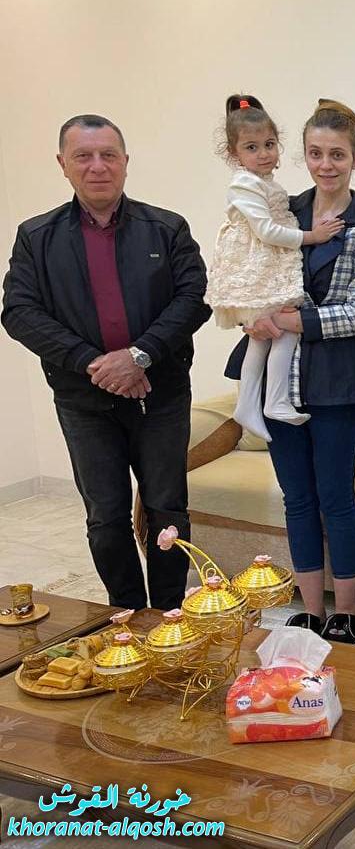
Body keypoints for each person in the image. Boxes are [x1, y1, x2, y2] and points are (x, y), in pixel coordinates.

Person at [2, 114, 210, 609]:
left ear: (125, 162)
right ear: (63, 164)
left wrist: (139, 356)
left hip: (160, 396)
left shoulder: (167, 228)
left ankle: (169, 614)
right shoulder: (36, 236)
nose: (98, 166)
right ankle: (127, 615)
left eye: (108, 155)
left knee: (167, 508)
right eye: (84, 156)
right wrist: (95, 363)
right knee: (106, 515)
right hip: (83, 401)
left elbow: (193, 299)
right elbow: (19, 312)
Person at [225, 99, 355, 644]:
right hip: (281, 367)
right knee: (296, 497)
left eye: (337, 154)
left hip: (340, 376)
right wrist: (251, 315)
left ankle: (348, 608)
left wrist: (296, 319)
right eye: (315, 153)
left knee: (336, 495)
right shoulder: (281, 210)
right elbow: (245, 267)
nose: (325, 164)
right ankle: (311, 608)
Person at [205, 94, 343, 440]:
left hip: (267, 266)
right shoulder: (245, 183)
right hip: (257, 269)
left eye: (269, 144)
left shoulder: (265, 183)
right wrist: (312, 236)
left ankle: (255, 402)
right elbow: (266, 230)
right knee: (277, 328)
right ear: (234, 153)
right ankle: (270, 399)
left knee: (272, 331)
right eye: (252, 148)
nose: (264, 153)